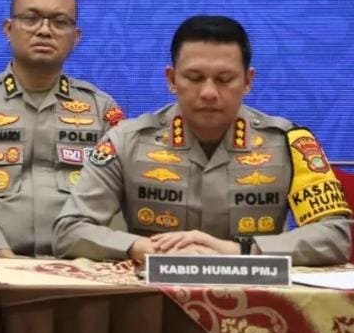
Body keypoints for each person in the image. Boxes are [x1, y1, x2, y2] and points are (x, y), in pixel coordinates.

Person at [53, 15, 351, 266]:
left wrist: (242, 251)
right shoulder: (126, 140)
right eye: (194, 78)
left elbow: (336, 235)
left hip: (257, 299)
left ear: (248, 81)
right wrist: (140, 247)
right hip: (156, 297)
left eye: (224, 79)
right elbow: (69, 230)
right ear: (172, 79)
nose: (209, 92)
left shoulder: (289, 143)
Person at [0, 0, 123, 257]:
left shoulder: (101, 109)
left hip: (80, 264)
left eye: (59, 22)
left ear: (76, 37)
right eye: (31, 18)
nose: (44, 30)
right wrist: (0, 252)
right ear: (8, 28)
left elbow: (113, 200)